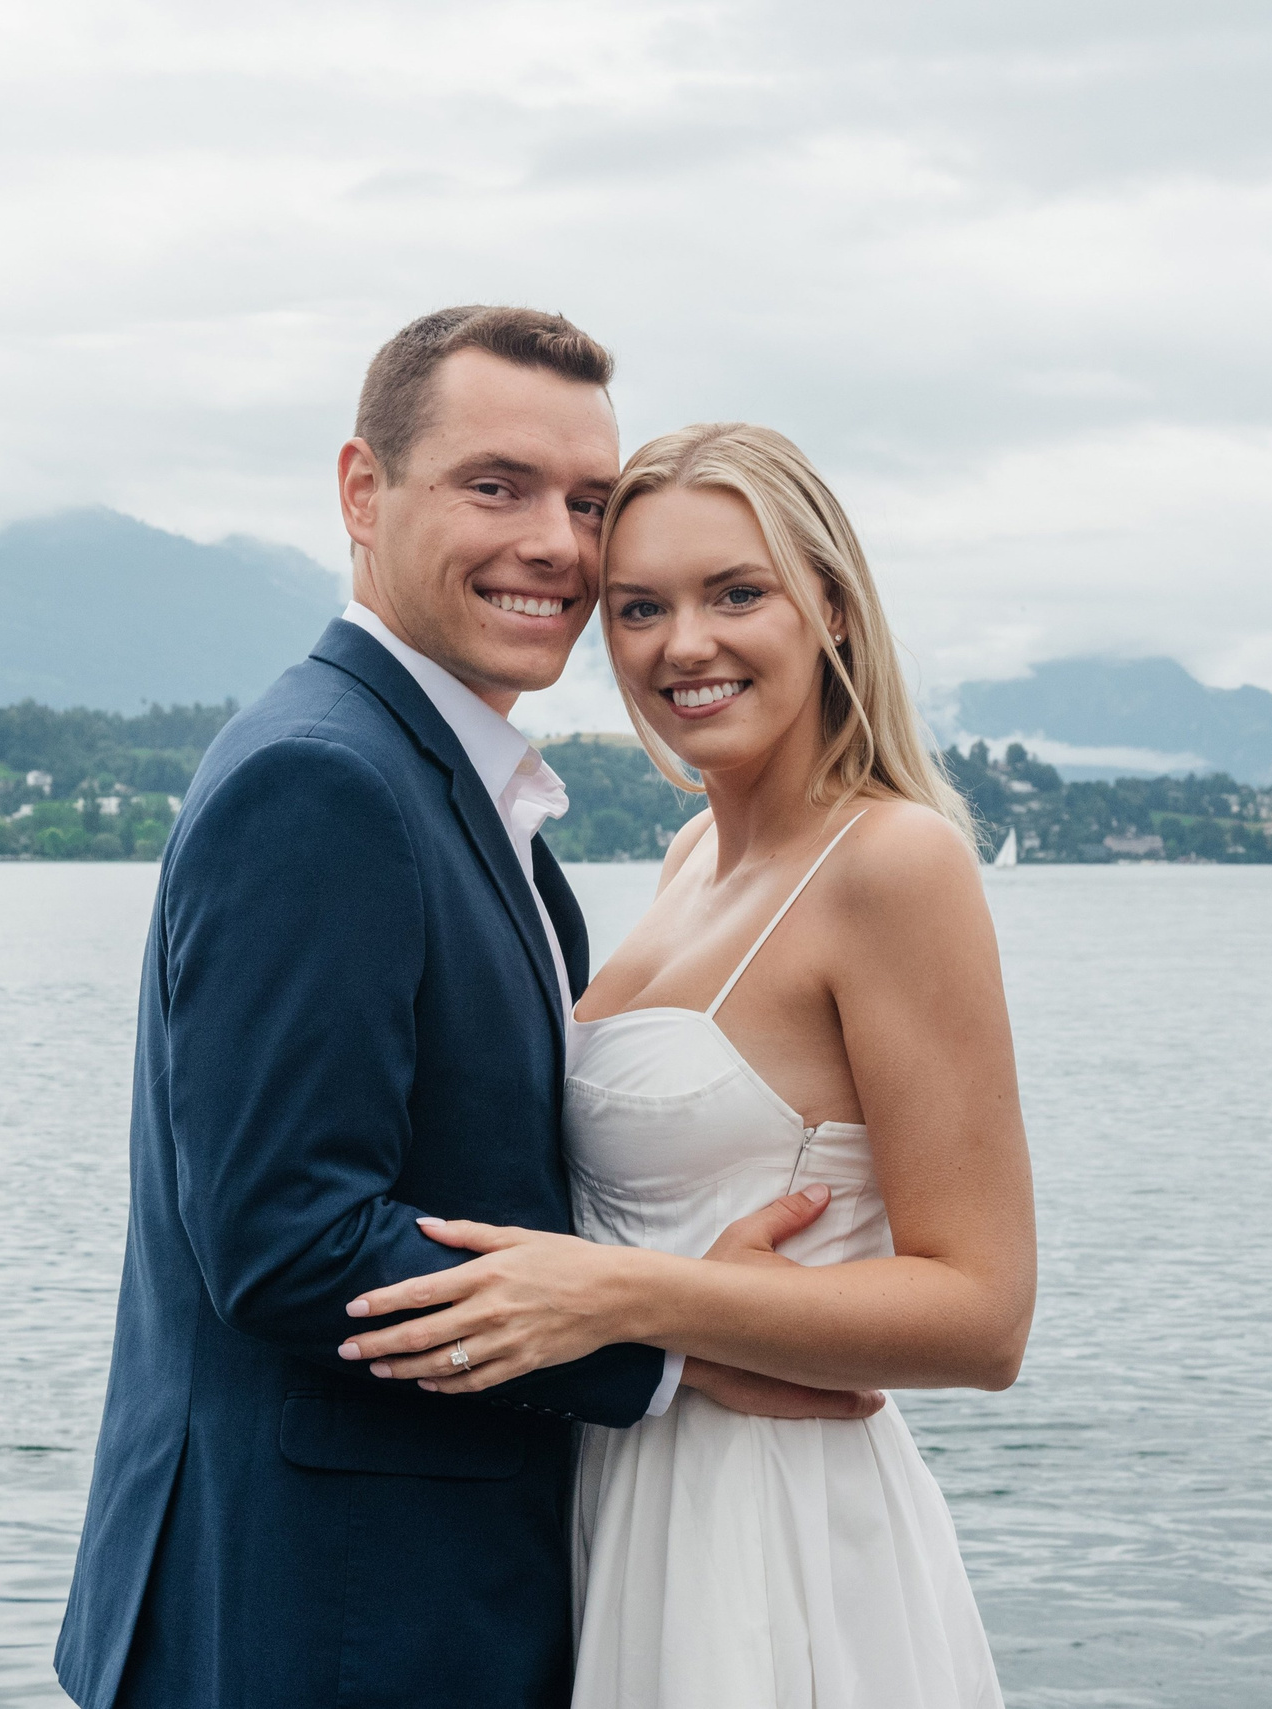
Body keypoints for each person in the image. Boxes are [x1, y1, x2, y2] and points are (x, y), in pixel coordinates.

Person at [53, 314, 879, 1709]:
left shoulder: (452, 783)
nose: (556, 542)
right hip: (319, 1619)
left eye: (587, 502)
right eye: (495, 487)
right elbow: (289, 1238)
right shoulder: (326, 782)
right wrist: (675, 1338)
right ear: (363, 496)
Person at [335, 422, 1039, 1707]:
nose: (684, 645)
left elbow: (981, 1315)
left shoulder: (893, 863)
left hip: (776, 1527)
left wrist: (623, 1296)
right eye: (639, 606)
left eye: (737, 593)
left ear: (827, 601)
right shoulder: (683, 863)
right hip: (624, 1492)